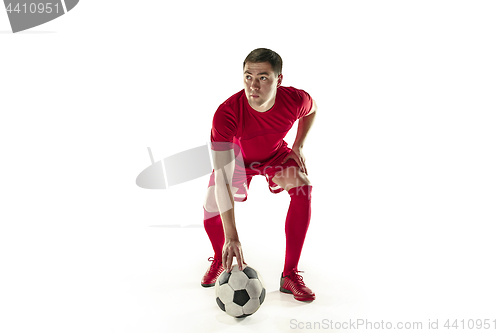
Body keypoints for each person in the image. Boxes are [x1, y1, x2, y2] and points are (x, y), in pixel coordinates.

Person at [201, 48, 317, 302]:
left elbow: (312, 110)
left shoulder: (295, 100)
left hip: (273, 156)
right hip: (237, 161)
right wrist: (232, 237)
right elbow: (222, 177)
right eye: (248, 77)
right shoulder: (227, 114)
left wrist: (298, 146)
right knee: (211, 205)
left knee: (303, 188)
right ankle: (221, 258)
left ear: (279, 79)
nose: (253, 85)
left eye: (263, 77)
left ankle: (290, 275)